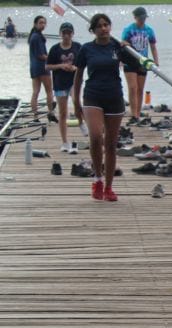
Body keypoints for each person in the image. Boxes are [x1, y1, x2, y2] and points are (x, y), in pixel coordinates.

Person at [74, 13, 138, 202]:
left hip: (114, 97)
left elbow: (135, 65)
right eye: (99, 26)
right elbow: (78, 76)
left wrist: (128, 49)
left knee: (110, 144)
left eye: (106, 25)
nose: (103, 28)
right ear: (93, 30)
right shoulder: (87, 49)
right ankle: (97, 178)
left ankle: (109, 187)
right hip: (93, 95)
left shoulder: (117, 47)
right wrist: (76, 102)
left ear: (110, 27)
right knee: (95, 136)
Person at [46, 21, 88, 153]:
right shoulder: (55, 49)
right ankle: (65, 142)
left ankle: (81, 123)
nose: (66, 35)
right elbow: (47, 66)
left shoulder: (78, 47)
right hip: (59, 83)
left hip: (74, 81)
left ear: (72, 34)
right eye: (64, 33)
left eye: (69, 33)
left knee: (77, 102)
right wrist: (61, 66)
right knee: (63, 113)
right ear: (60, 34)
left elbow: (84, 62)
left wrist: (75, 67)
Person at [121, 7, 158, 125]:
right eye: (140, 18)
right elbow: (122, 45)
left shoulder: (149, 30)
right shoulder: (128, 30)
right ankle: (134, 115)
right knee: (133, 87)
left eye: (144, 18)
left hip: (143, 61)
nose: (142, 20)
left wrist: (156, 62)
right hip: (130, 61)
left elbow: (153, 46)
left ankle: (138, 112)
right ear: (135, 17)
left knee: (140, 89)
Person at [28, 15, 55, 123]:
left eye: (44, 23)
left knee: (35, 92)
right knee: (49, 91)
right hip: (42, 67)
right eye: (40, 23)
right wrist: (52, 58)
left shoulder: (33, 36)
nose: (43, 25)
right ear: (35, 24)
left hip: (33, 67)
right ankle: (50, 113)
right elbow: (41, 55)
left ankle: (35, 117)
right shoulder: (37, 37)